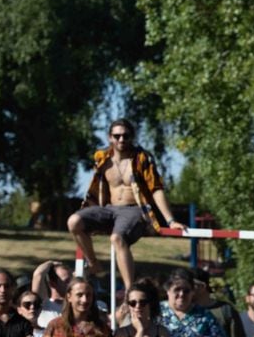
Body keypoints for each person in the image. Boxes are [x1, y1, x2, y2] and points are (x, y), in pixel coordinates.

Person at [67, 119, 185, 288]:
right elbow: (95, 187)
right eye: (117, 136)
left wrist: (171, 220)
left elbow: (156, 189)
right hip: (108, 209)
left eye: (126, 136)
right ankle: (94, 264)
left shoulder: (141, 158)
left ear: (132, 137)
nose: (121, 140)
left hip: (134, 209)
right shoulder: (102, 158)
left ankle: (130, 291)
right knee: (73, 222)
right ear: (110, 138)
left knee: (117, 237)